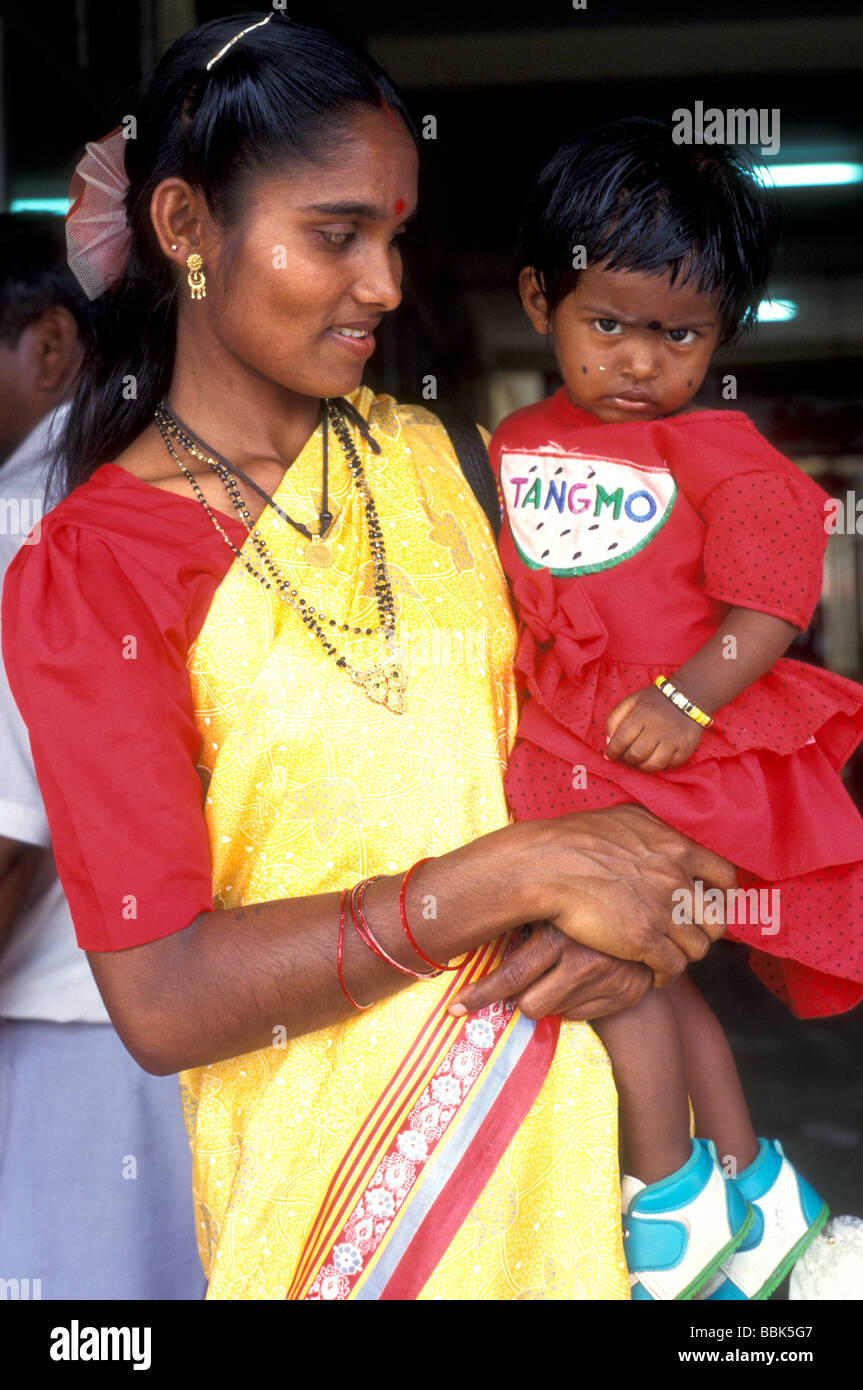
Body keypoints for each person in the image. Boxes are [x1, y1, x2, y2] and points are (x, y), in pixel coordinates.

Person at [2, 15, 734, 1302]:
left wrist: (651, 915)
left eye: (392, 234)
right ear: (183, 227)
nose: (384, 283)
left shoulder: (450, 464)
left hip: (588, 1194)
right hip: (338, 1227)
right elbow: (163, 998)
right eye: (335, 235)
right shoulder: (93, 569)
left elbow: (636, 760)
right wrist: (508, 874)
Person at [490, 119, 863, 1300]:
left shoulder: (721, 452)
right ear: (540, 297)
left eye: (679, 335)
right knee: (656, 974)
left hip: (669, 750)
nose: (640, 361)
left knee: (618, 964)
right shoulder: (514, 440)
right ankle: (752, 1191)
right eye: (608, 324)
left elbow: (771, 606)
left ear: (720, 337)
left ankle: (663, 1202)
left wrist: (685, 700)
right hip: (568, 740)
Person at [0, 214, 205, 1298]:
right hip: (215, 1012)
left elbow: (5, 841)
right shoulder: (195, 479)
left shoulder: (28, 515)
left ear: (47, 346)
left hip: (69, 1035)